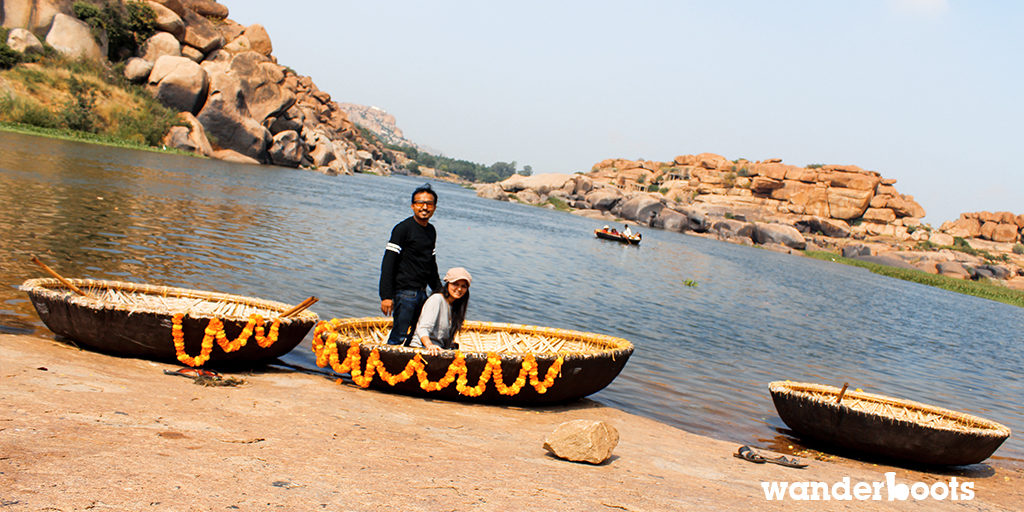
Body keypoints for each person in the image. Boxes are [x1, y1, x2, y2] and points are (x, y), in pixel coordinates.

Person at [379, 183, 443, 345]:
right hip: (404, 293)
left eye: (429, 203)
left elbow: (430, 263)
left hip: (422, 293)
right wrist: (386, 296)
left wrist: (439, 290)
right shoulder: (402, 229)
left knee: (417, 335)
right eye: (420, 203)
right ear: (413, 206)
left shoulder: (431, 231)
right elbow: (388, 263)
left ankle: (408, 367)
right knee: (399, 335)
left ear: (434, 207)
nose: (424, 207)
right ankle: (386, 366)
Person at [410, 267, 471, 355]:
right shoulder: (437, 299)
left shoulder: (455, 307)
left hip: (439, 350)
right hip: (422, 349)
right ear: (448, 284)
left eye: (463, 286)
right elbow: (423, 328)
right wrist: (429, 345)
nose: (459, 289)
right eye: (455, 284)